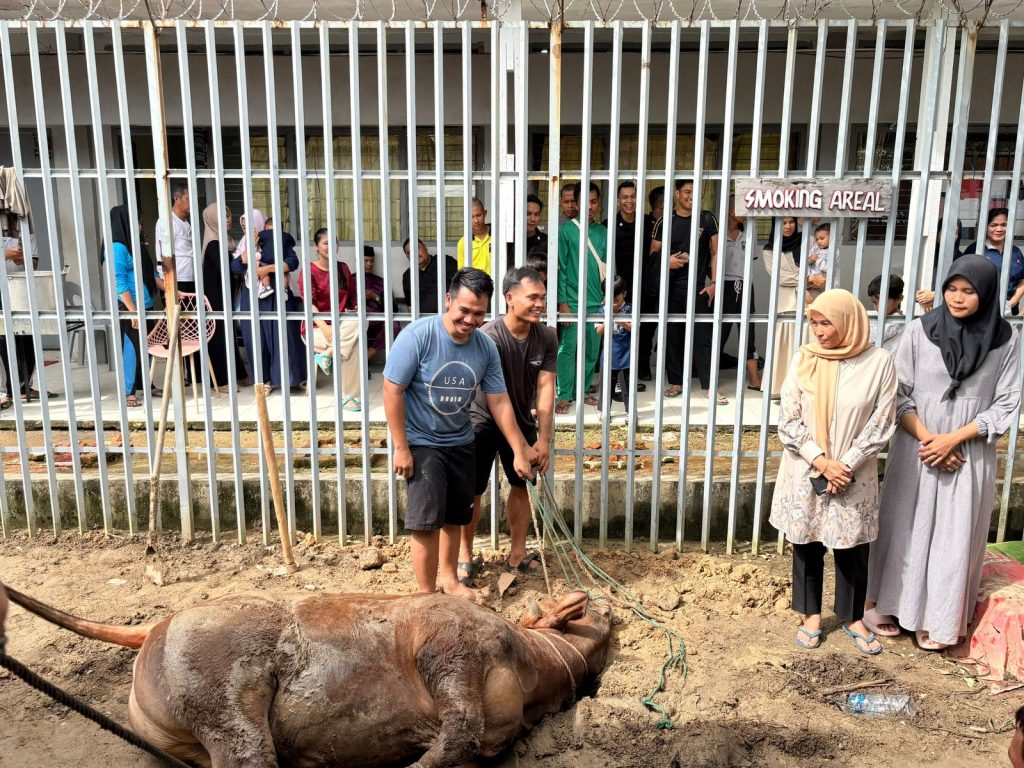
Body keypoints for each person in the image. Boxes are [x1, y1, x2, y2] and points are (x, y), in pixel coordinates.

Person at [865, 256, 1021, 650]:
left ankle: (937, 617)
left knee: (954, 536)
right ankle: (889, 606)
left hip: (968, 451)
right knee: (905, 527)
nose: (957, 297)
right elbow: (897, 392)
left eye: (968, 291)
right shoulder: (920, 331)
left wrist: (953, 440)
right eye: (952, 288)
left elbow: (1006, 402)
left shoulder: (1006, 340)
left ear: (986, 293)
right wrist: (931, 440)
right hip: (917, 446)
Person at [383, 268, 533, 598]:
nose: (470, 320)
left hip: (462, 441)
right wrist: (401, 447)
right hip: (423, 442)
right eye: (464, 310)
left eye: (479, 313)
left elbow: (499, 400)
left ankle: (450, 581)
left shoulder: (485, 347)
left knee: (455, 517)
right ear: (449, 300)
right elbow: (392, 390)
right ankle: (426, 594)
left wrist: (519, 450)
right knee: (426, 523)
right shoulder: (417, 336)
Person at [769, 289, 898, 656]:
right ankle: (811, 614)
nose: (819, 331)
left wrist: (847, 464)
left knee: (852, 546)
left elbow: (882, 421)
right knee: (806, 543)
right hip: (808, 467)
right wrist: (822, 461)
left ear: (848, 321)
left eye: (826, 323)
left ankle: (853, 616)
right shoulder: (804, 358)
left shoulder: (879, 363)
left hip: (854, 472)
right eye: (814, 323)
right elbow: (788, 419)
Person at [460, 266, 556, 586]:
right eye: (533, 297)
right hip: (483, 420)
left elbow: (546, 388)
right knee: (473, 491)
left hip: (522, 419)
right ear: (510, 298)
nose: (539, 304)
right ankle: (465, 556)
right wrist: (521, 448)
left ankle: (517, 555)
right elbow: (494, 399)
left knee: (521, 486)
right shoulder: (489, 337)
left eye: (543, 297)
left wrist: (543, 439)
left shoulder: (546, 336)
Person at [650, 179, 724, 405]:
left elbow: (716, 252)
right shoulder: (664, 221)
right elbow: (652, 254)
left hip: (699, 288)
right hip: (672, 289)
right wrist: (667, 261)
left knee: (704, 338)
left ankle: (709, 386)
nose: (691, 196)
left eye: (695, 191)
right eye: (687, 191)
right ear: (677, 194)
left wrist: (714, 283)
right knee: (673, 337)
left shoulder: (707, 218)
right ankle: (676, 383)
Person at [231, 221, 307, 395]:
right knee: (257, 339)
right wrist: (250, 249)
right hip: (252, 296)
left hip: (278, 295)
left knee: (283, 336)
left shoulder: (282, 243)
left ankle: (289, 377)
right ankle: (264, 380)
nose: (269, 234)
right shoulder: (246, 244)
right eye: (267, 230)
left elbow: (292, 262)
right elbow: (235, 267)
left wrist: (268, 269)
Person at [556, 182, 607, 414]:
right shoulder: (566, 231)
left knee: (591, 351)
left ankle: (582, 389)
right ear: (576, 203)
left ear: (599, 203)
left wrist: (609, 298)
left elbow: (609, 268)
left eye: (593, 201)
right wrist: (563, 303)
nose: (589, 206)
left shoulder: (603, 232)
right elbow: (561, 269)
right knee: (567, 350)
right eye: (584, 201)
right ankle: (564, 394)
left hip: (597, 303)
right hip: (573, 303)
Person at [298, 228, 362, 411]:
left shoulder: (343, 268)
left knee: (361, 320)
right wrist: (326, 328)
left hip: (342, 325)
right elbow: (309, 304)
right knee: (353, 344)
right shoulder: (309, 271)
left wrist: (356, 308)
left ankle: (327, 354)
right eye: (326, 243)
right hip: (317, 327)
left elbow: (352, 298)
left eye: (334, 243)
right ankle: (350, 397)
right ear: (316, 246)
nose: (331, 247)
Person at [110, 204, 160, 407]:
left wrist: (172, 290)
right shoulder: (118, 247)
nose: (140, 225)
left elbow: (153, 275)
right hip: (129, 307)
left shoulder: (136, 246)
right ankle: (128, 391)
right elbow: (119, 282)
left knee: (146, 345)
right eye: (137, 221)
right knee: (130, 348)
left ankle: (146, 383)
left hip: (145, 306)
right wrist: (132, 311)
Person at [200, 203, 248, 390]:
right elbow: (227, 268)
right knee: (219, 335)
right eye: (223, 216)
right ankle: (219, 381)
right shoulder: (213, 243)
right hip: (215, 296)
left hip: (224, 293)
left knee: (228, 333)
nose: (228, 219)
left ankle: (238, 374)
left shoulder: (226, 240)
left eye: (228, 215)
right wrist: (241, 259)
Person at [720, 195, 762, 391]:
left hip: (745, 285)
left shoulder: (749, 233)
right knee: (720, 331)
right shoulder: (718, 233)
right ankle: (709, 379)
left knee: (748, 331)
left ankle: (754, 378)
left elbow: (751, 259)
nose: (746, 213)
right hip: (724, 286)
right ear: (730, 211)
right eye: (742, 209)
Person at [763, 216, 804, 399]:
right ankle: (782, 390)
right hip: (785, 304)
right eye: (783, 223)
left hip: (808, 302)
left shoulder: (807, 240)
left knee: (805, 346)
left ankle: (803, 389)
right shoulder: (769, 250)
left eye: (791, 222)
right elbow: (779, 276)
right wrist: (807, 279)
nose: (788, 226)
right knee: (785, 347)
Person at [0, 217, 38, 405]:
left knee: (26, 338)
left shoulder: (24, 227)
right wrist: (5, 255)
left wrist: (24, 259)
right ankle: (7, 390)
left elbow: (34, 262)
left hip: (21, 289)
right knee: (4, 340)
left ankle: (24, 386)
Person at [962, 207, 1024, 315]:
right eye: (993, 225)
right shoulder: (975, 250)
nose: (999, 229)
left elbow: (1021, 281)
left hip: (1011, 313)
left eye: (1004, 225)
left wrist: (1011, 303)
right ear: (985, 227)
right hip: (982, 312)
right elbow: (962, 281)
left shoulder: (1015, 251)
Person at [595, 276, 634, 420]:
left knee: (627, 387)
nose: (613, 303)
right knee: (606, 387)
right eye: (609, 298)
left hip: (627, 356)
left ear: (624, 294)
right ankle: (604, 411)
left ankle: (631, 412)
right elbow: (599, 331)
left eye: (616, 299)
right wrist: (609, 316)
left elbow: (634, 328)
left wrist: (618, 317)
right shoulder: (602, 310)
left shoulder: (630, 308)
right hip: (608, 356)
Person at [637, 185, 665, 381]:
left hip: (667, 283)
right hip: (646, 284)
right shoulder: (645, 224)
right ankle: (642, 365)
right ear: (660, 204)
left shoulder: (671, 223)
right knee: (645, 327)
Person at [362, 245, 398, 370]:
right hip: (356, 322)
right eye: (366, 260)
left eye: (371, 261)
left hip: (376, 322)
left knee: (394, 326)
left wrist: (375, 297)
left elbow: (393, 308)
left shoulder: (381, 282)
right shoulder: (350, 279)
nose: (369, 264)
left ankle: (365, 357)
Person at [401, 237, 458, 315]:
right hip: (424, 320)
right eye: (409, 253)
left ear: (425, 247)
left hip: (449, 316)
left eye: (417, 248)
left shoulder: (444, 261)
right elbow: (410, 306)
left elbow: (462, 286)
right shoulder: (408, 276)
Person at [155, 184, 195, 292]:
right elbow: (164, 254)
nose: (191, 202)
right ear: (177, 199)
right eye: (188, 198)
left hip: (190, 279)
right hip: (176, 280)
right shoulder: (167, 221)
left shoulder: (186, 222)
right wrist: (168, 283)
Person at [867, 273, 906, 355]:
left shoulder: (902, 323)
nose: (877, 307)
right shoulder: (870, 316)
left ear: (899, 298)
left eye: (881, 301)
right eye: (874, 302)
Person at [456, 198, 493, 276]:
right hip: (476, 283)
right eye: (471, 217)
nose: (476, 220)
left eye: (478, 215)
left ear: (485, 213)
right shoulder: (463, 242)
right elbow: (462, 273)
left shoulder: (497, 236)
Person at [804, 223, 838, 305]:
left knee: (827, 302)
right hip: (814, 282)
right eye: (817, 239)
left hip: (828, 284)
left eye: (822, 238)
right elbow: (808, 257)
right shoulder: (816, 247)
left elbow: (828, 267)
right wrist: (810, 259)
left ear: (832, 238)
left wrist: (817, 259)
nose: (819, 241)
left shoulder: (834, 251)